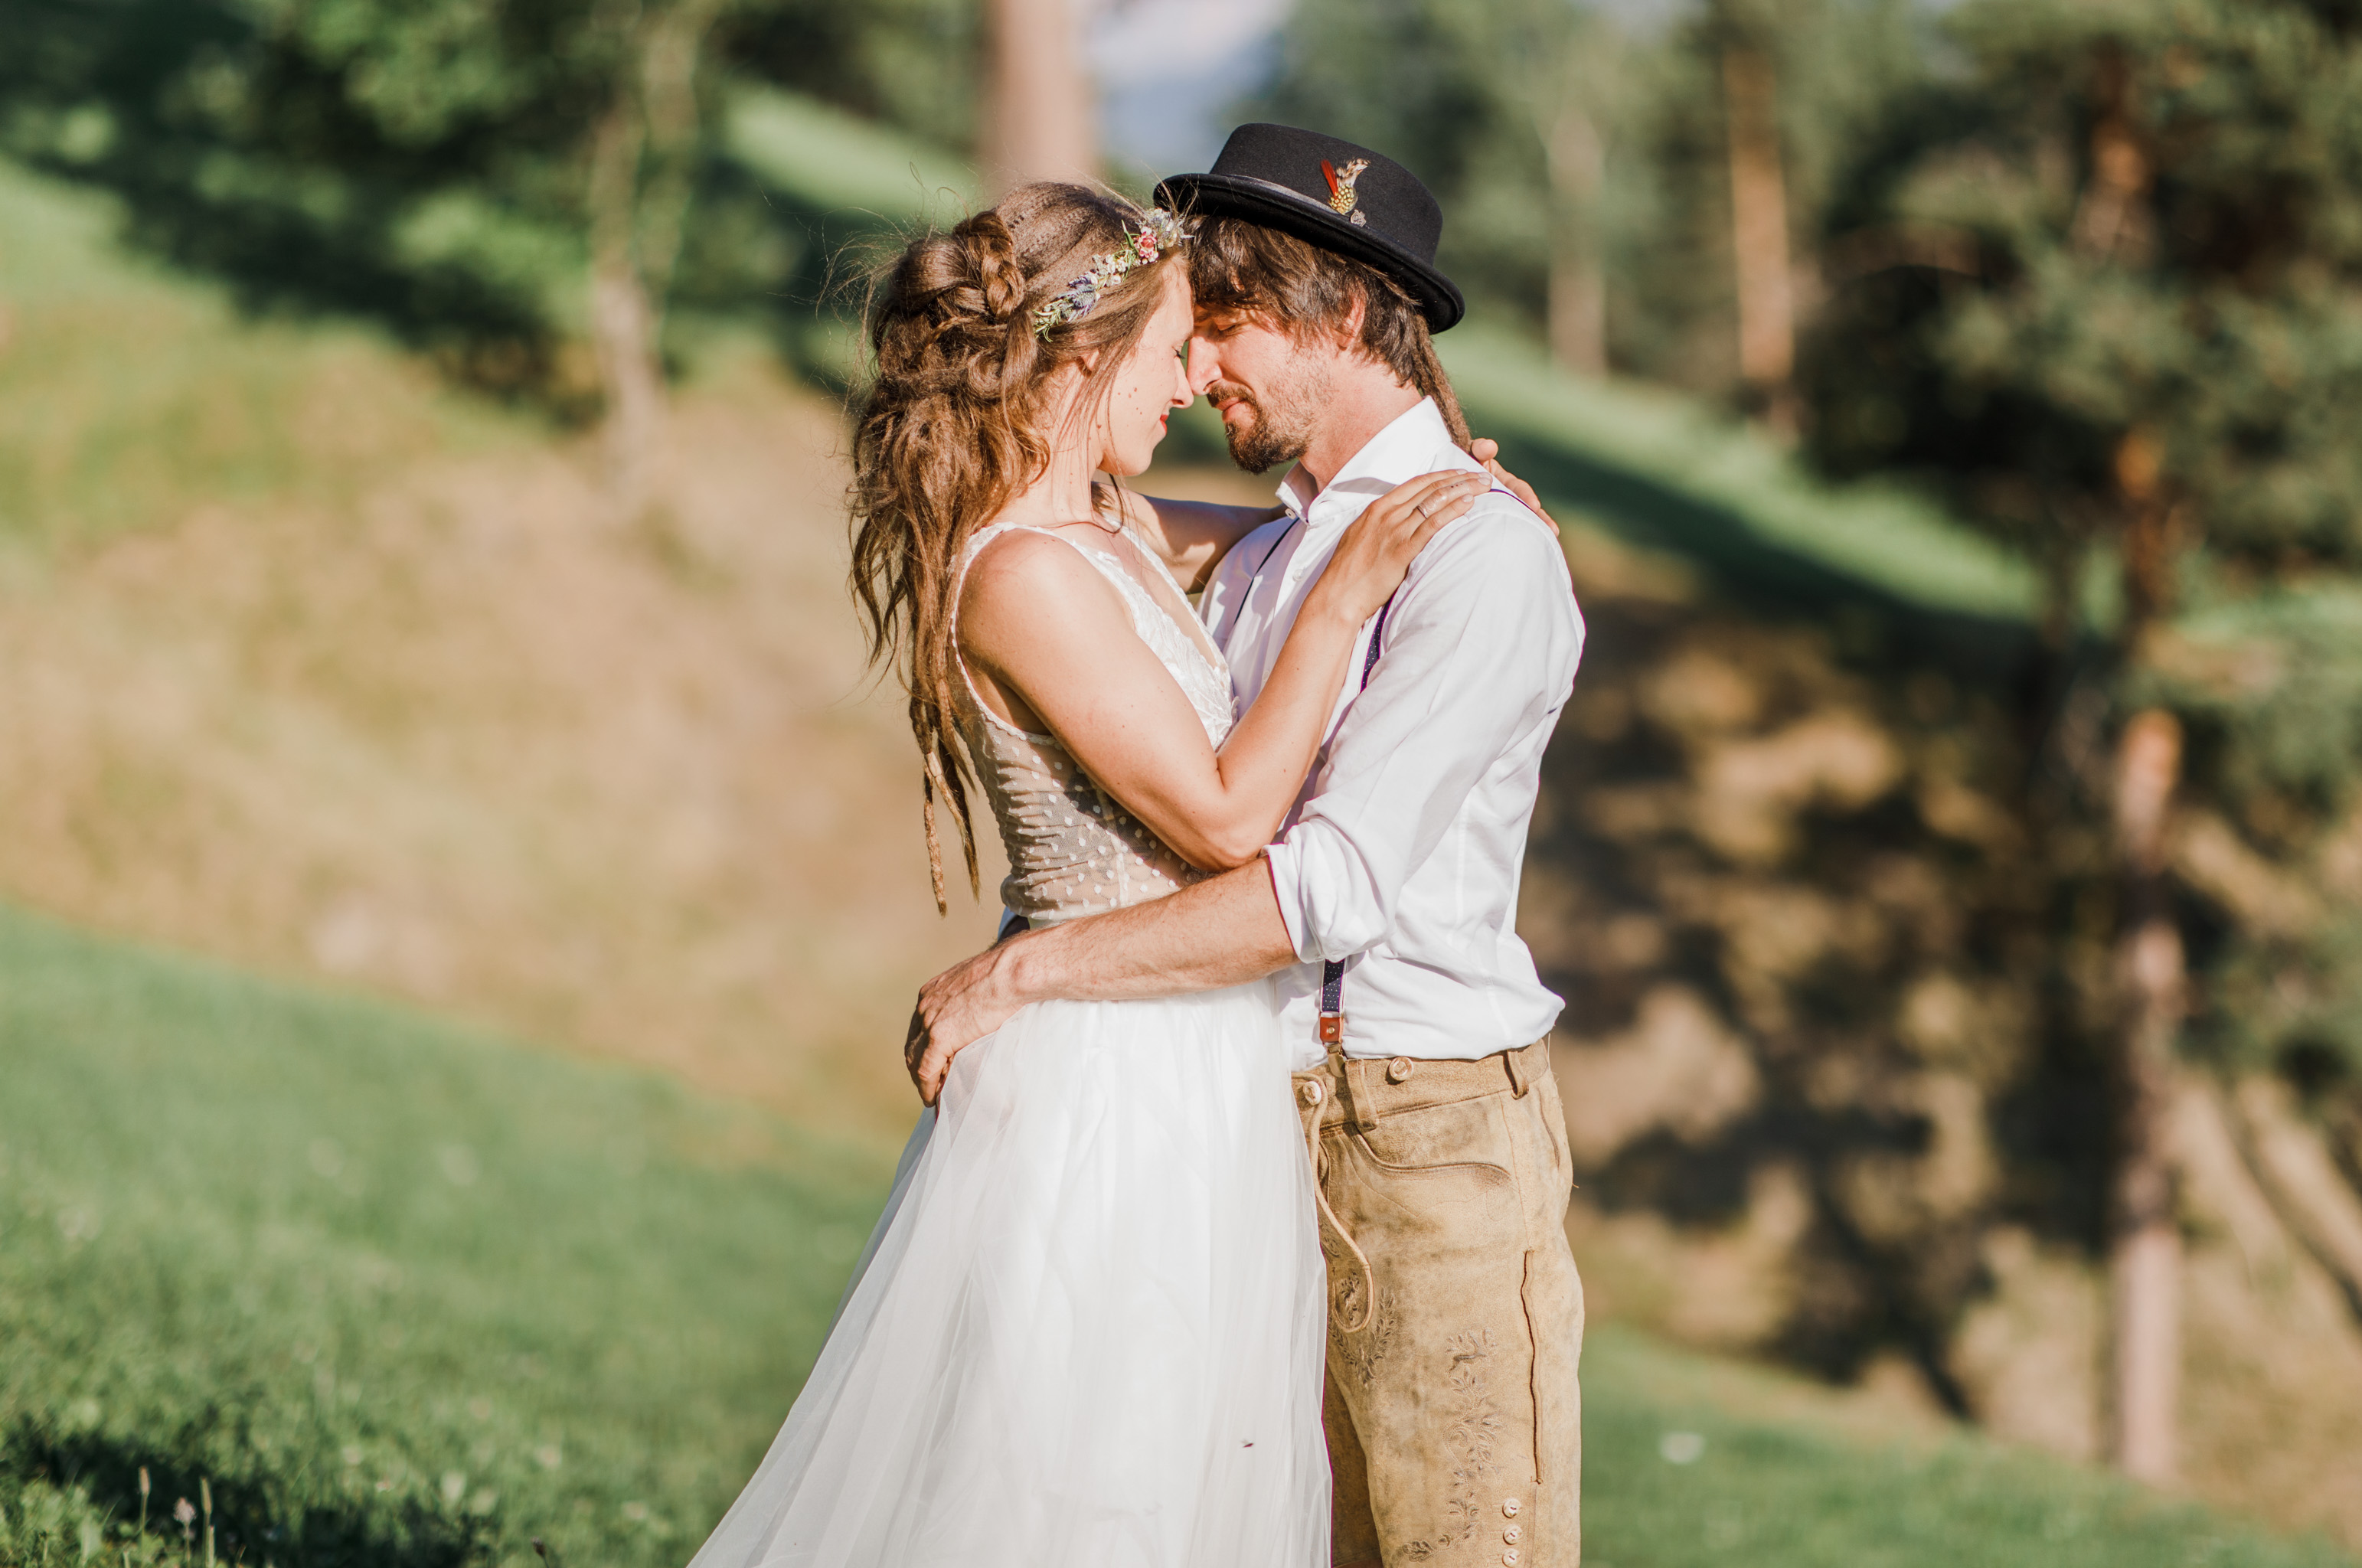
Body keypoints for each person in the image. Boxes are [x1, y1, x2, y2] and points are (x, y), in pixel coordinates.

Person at [684, 181, 1498, 1567]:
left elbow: (1274, 540)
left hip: (1193, 1065)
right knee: (1077, 1485)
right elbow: (1232, 820)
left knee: (1175, 1478)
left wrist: (1447, 504)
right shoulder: (1022, 576)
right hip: (1107, 1086)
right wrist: (1355, 590)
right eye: (1177, 345)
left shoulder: (1107, 530)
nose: (1191, 382)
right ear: (1085, 353)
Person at [908, 126, 1589, 1568]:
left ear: (1340, 313)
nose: (1196, 368)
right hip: (1249, 1127)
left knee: (1458, 1547)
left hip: (1425, 1137)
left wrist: (1029, 974)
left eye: (1221, 327)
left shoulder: (1478, 555)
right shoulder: (1269, 554)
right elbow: (1061, 519)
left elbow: (1322, 884)